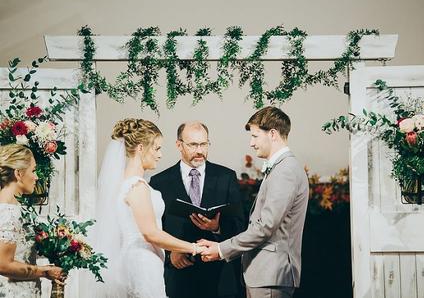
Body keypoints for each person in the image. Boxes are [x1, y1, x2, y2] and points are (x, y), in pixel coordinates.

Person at [199, 106, 309, 298]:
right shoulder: (282, 168)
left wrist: (221, 249)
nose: (251, 143)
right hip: (266, 275)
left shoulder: (285, 171)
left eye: (255, 136)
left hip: (271, 274)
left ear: (273, 134)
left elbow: (265, 227)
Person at [93, 118, 206, 298]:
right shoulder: (137, 186)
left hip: (133, 258)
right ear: (140, 148)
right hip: (143, 262)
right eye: (157, 148)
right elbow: (151, 233)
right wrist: (193, 248)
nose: (160, 155)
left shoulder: (121, 183)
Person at [150, 121, 245, 298]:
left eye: (204, 144)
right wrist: (170, 255)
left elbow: (241, 226)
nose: (200, 150)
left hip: (219, 277)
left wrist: (217, 227)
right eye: (193, 144)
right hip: (178, 279)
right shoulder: (159, 182)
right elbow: (153, 230)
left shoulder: (226, 177)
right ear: (179, 145)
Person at [0, 144, 65, 297]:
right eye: (33, 170)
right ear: (19, 173)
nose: (36, 177)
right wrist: (44, 271)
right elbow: (3, 264)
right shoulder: (9, 212)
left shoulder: (9, 208)